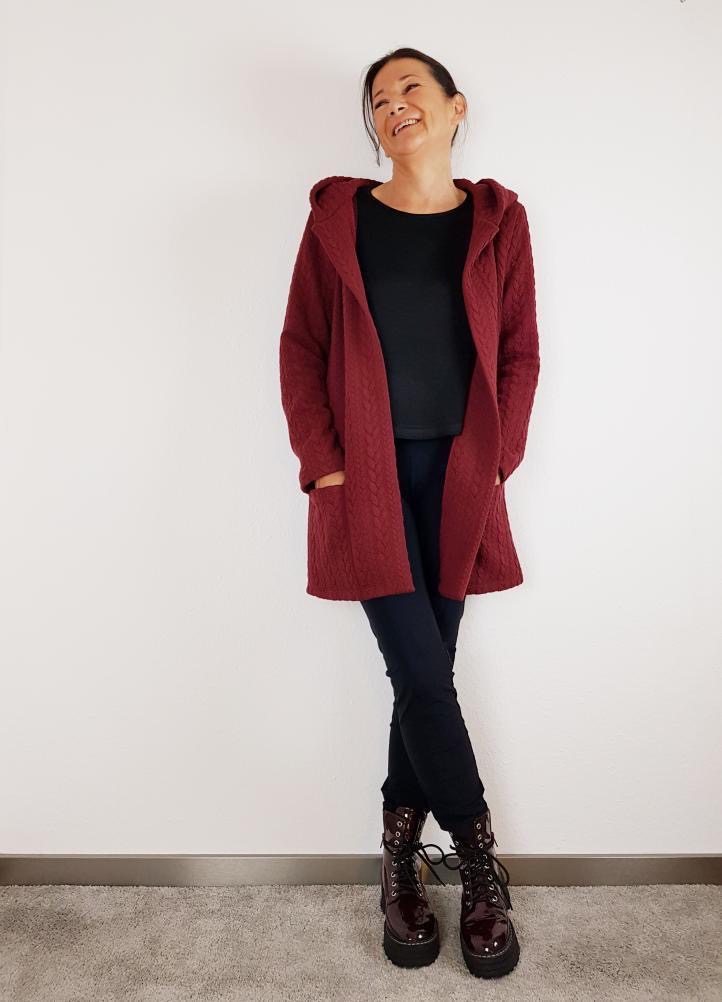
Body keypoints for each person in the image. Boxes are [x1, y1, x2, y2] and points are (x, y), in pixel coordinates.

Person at [279, 46, 540, 980]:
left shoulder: (499, 220)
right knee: (423, 675)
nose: (394, 106)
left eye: (411, 90)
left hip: (461, 476)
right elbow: (301, 346)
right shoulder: (339, 222)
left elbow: (520, 352)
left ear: (455, 107)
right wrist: (325, 467)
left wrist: (498, 460)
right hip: (368, 479)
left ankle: (395, 862)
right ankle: (478, 863)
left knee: (424, 676)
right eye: (378, 99)